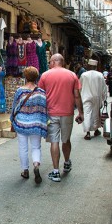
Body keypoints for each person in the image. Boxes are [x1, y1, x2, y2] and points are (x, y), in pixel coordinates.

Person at [40, 53, 83, 182]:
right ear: (62, 62)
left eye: (50, 62)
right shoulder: (72, 75)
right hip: (68, 112)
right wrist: (80, 112)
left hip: (51, 113)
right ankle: (67, 162)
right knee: (66, 140)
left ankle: (55, 172)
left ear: (53, 62)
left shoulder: (45, 75)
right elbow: (77, 95)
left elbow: (41, 96)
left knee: (54, 141)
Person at [10, 67, 48, 184]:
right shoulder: (41, 92)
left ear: (25, 77)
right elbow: (44, 109)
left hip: (22, 123)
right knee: (36, 147)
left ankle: (25, 170)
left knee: (23, 147)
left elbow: (14, 107)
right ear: (37, 77)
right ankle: (36, 165)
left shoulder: (20, 91)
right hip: (36, 123)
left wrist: (12, 119)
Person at [79, 59, 108, 140]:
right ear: (95, 67)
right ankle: (96, 130)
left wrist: (79, 96)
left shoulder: (84, 75)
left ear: (89, 66)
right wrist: (104, 98)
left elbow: (80, 87)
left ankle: (88, 133)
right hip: (96, 97)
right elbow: (104, 88)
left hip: (86, 97)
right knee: (95, 114)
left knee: (87, 114)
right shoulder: (100, 75)